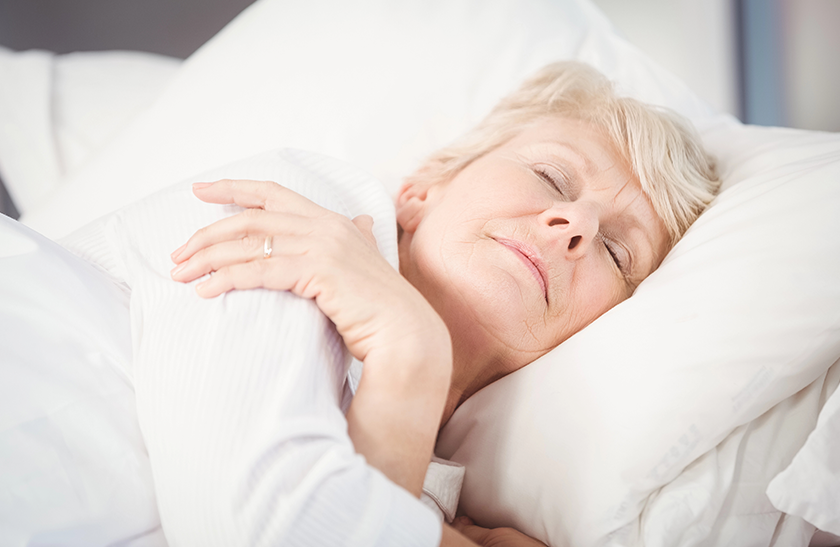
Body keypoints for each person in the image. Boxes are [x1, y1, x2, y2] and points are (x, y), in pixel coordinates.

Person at [164, 61, 717, 546]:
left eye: (617, 254)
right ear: (425, 188)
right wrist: (413, 348)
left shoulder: (434, 500)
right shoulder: (293, 214)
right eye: (550, 176)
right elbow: (260, 533)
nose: (577, 224)